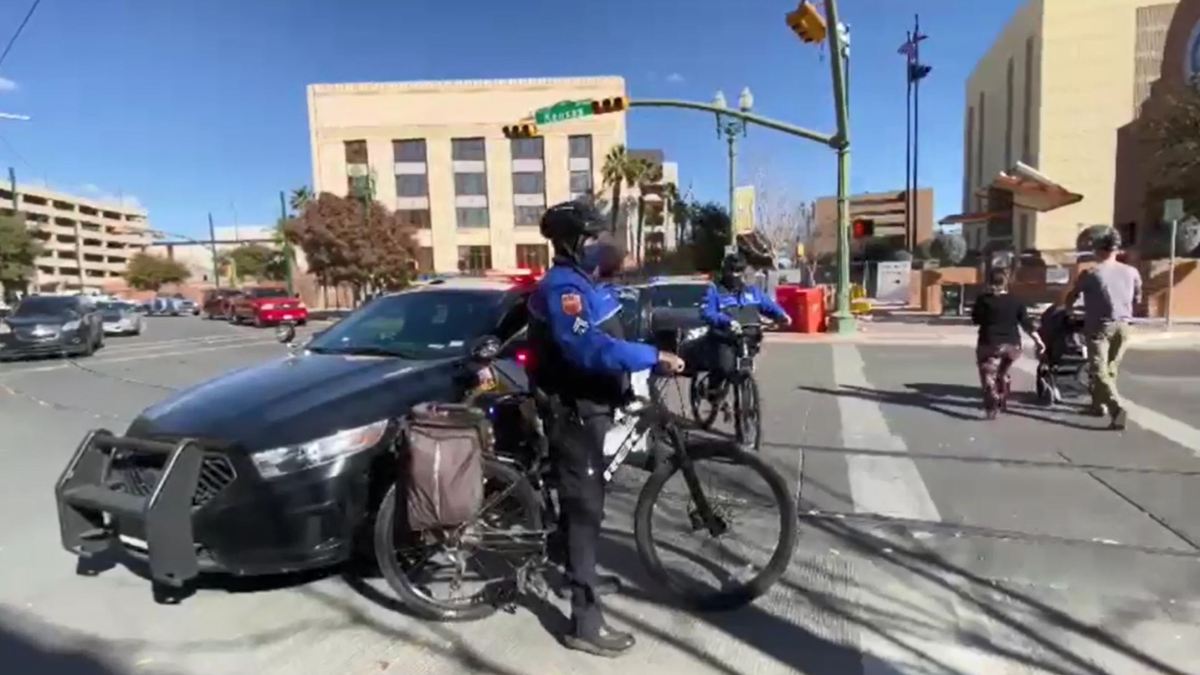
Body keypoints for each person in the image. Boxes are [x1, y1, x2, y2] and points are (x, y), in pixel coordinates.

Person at [527, 200, 685, 657]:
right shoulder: (563, 287)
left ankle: (583, 571)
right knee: (584, 511)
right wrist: (651, 357)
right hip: (572, 410)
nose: (599, 246)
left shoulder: (580, 282)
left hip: (589, 407)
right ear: (573, 242)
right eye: (592, 238)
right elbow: (588, 349)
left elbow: (608, 330)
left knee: (586, 500)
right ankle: (585, 621)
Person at [1063, 230, 1143, 430]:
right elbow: (1138, 299)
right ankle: (1098, 405)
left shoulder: (1091, 273)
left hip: (1099, 326)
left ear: (1098, 250)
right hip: (1124, 325)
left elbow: (1072, 296)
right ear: (1117, 250)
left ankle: (1117, 408)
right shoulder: (1132, 272)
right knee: (1110, 369)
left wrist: (1069, 311)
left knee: (1099, 370)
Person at [698, 253, 791, 396]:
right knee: (725, 367)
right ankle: (712, 389)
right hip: (724, 338)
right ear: (726, 272)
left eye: (740, 271)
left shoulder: (752, 292)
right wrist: (725, 320)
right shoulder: (715, 291)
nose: (736, 276)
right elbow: (707, 313)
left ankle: (746, 396)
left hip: (748, 336)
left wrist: (782, 315)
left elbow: (767, 305)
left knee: (745, 366)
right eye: (733, 271)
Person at [970, 269, 1044, 419]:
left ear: (989, 282)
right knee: (1003, 370)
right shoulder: (1016, 301)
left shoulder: (983, 300)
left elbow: (975, 320)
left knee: (987, 370)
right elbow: (1026, 323)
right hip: (1012, 345)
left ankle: (991, 400)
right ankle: (1002, 394)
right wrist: (1039, 341)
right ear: (1006, 283)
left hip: (989, 342)